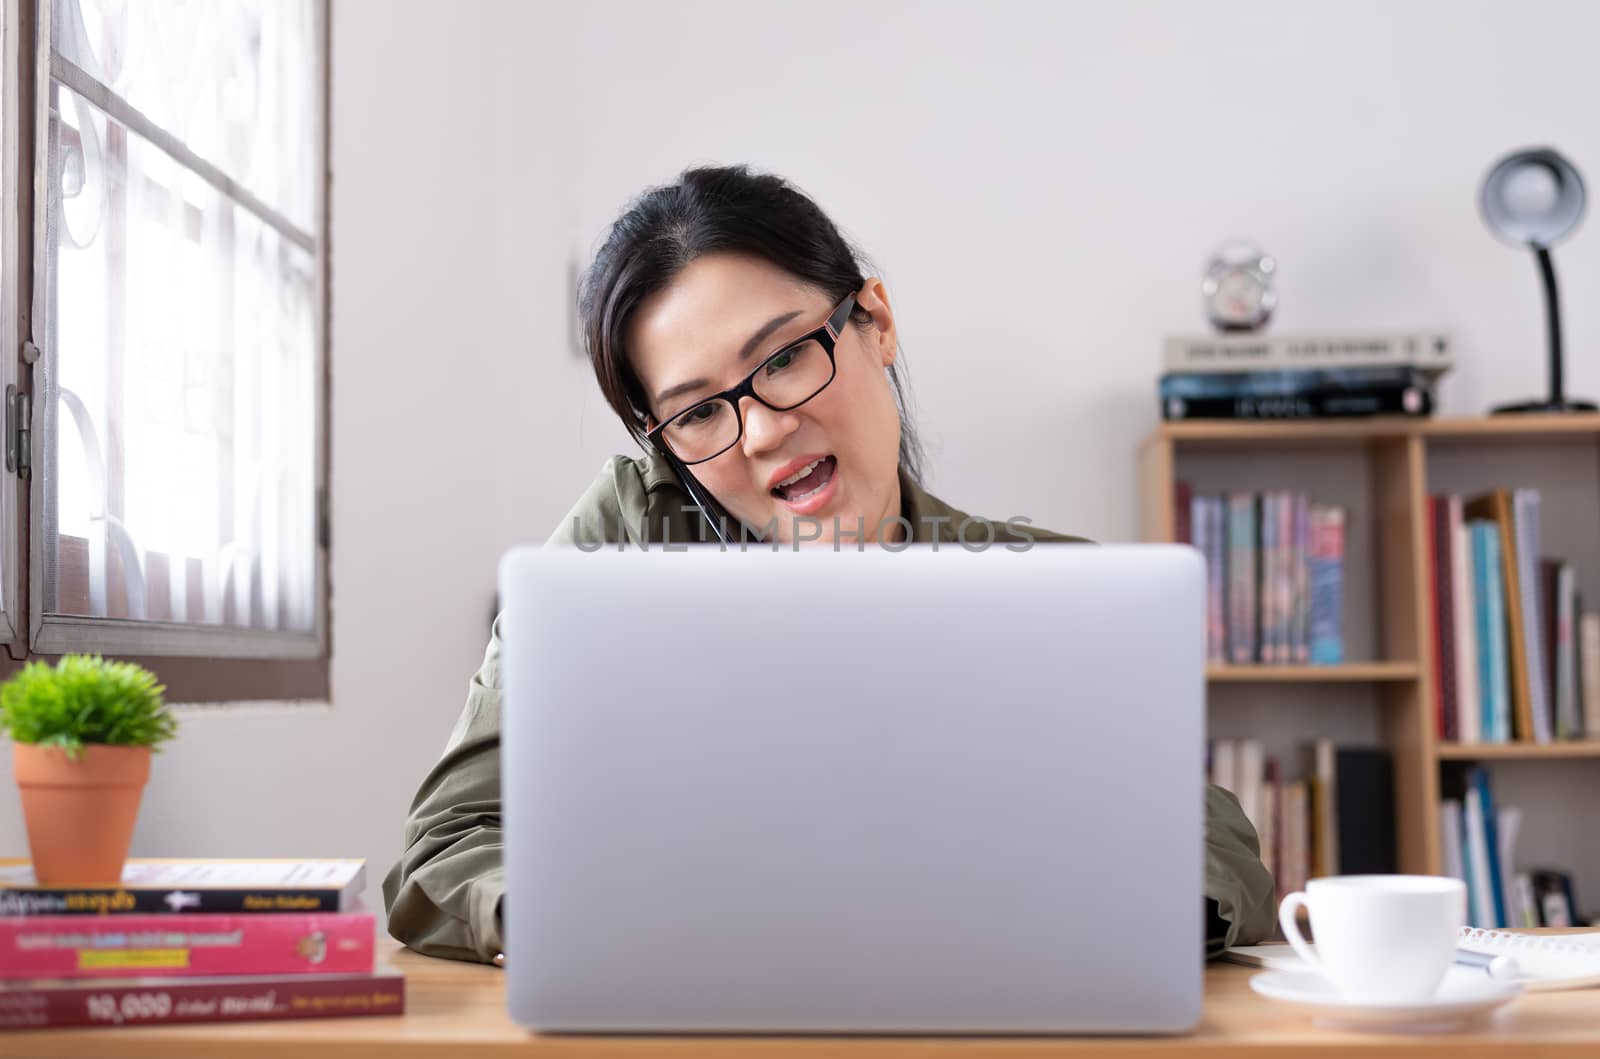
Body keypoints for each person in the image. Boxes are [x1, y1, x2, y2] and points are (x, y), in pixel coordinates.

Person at [382, 165, 1276, 964]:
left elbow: (1210, 842)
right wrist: (578, 916)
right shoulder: (624, 534)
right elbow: (452, 839)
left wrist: (1111, 914)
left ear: (875, 322)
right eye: (696, 413)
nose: (764, 428)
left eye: (783, 357)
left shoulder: (1051, 587)